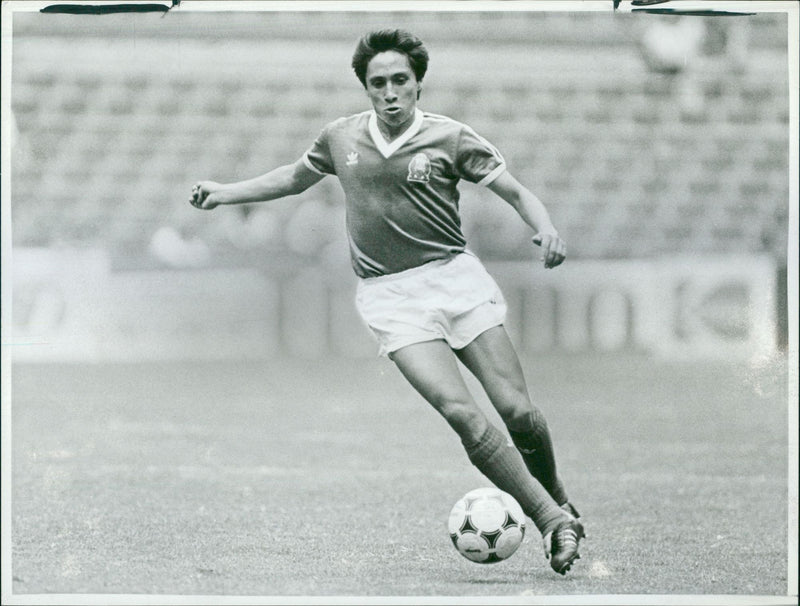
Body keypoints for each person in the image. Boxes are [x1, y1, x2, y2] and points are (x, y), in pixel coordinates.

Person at [190, 28, 584, 575]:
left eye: (400, 80)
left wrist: (546, 228)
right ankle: (553, 520)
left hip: (455, 281)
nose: (390, 92)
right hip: (391, 298)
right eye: (378, 83)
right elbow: (293, 178)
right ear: (366, 88)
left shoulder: (451, 137)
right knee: (462, 415)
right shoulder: (340, 137)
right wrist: (224, 192)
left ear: (419, 83)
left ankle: (556, 494)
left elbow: (515, 191)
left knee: (516, 410)